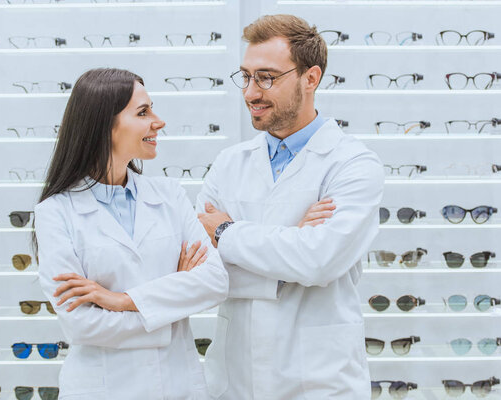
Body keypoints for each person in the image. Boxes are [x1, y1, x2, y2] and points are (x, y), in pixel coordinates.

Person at [197, 15, 384, 399]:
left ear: (310, 78)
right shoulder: (229, 163)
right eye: (245, 76)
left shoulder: (353, 164)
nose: (251, 92)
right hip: (235, 380)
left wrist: (226, 232)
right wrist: (291, 249)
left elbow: (319, 260)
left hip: (320, 381)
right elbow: (198, 270)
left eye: (266, 77)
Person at [33, 68, 228, 400]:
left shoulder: (169, 195)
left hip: (178, 385)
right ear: (105, 125)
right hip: (103, 389)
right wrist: (172, 304)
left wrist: (119, 301)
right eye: (143, 112)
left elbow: (215, 281)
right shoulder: (56, 212)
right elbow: (80, 325)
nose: (158, 121)